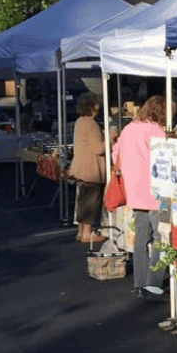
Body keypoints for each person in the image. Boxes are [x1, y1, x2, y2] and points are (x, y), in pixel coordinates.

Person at [113, 95, 168, 300]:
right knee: (161, 238)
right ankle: (153, 284)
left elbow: (115, 153)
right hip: (156, 191)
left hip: (134, 190)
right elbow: (165, 159)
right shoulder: (157, 131)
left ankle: (139, 283)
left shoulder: (129, 128)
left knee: (140, 239)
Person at [69, 91, 106, 244]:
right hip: (91, 170)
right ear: (93, 106)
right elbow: (99, 149)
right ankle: (87, 234)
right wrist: (109, 136)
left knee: (82, 202)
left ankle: (81, 232)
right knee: (91, 202)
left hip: (80, 167)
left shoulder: (79, 121)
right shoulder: (91, 124)